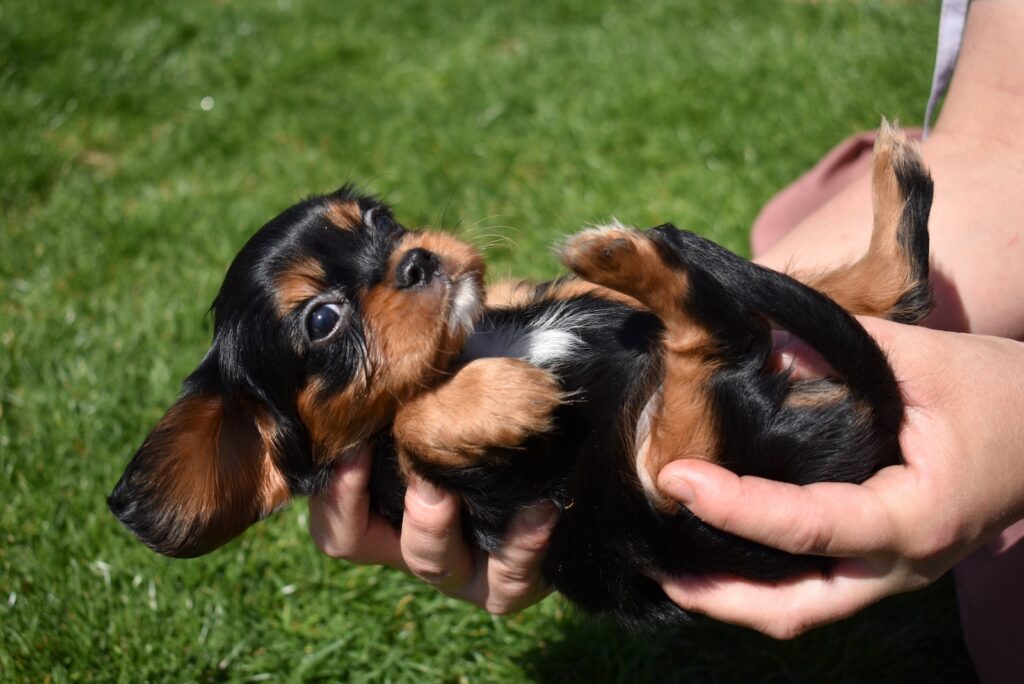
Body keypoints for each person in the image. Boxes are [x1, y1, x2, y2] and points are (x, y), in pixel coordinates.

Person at [309, 0, 1024, 680]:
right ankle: (826, 303)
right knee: (723, 396)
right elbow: (1004, 136)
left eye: (377, 223)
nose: (397, 256)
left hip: (703, 436)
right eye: (321, 319)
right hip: (696, 461)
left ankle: (715, 330)